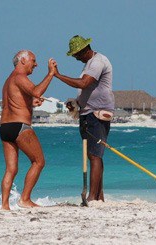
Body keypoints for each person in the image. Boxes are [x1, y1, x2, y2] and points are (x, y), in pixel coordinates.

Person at [54, 35, 115, 202]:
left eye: (76, 54)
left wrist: (57, 75)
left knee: (95, 155)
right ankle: (99, 196)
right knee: (93, 155)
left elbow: (83, 83)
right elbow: (87, 90)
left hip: (97, 113)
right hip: (87, 112)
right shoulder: (89, 63)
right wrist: (76, 103)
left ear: (85, 50)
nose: (75, 57)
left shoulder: (97, 62)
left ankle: (92, 197)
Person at [0, 50, 56, 209]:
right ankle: (25, 199)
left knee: (11, 169)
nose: (36, 64)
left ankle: (4, 206)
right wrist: (51, 73)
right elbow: (37, 91)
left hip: (5, 128)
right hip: (20, 127)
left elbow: (13, 104)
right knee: (39, 161)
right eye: (33, 60)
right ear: (23, 60)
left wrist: (31, 103)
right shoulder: (19, 77)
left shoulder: (8, 80)